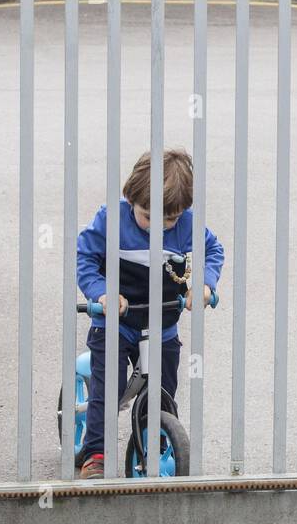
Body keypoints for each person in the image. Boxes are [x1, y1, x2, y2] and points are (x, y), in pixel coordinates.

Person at [75, 148, 224, 479]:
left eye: (168, 220)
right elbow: (85, 256)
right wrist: (101, 292)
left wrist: (203, 285)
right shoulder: (110, 219)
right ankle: (95, 453)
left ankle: (157, 442)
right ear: (131, 198)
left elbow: (213, 251)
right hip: (116, 320)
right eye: (147, 216)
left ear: (182, 211)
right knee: (107, 387)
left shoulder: (187, 225)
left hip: (162, 321)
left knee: (163, 390)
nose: (159, 227)